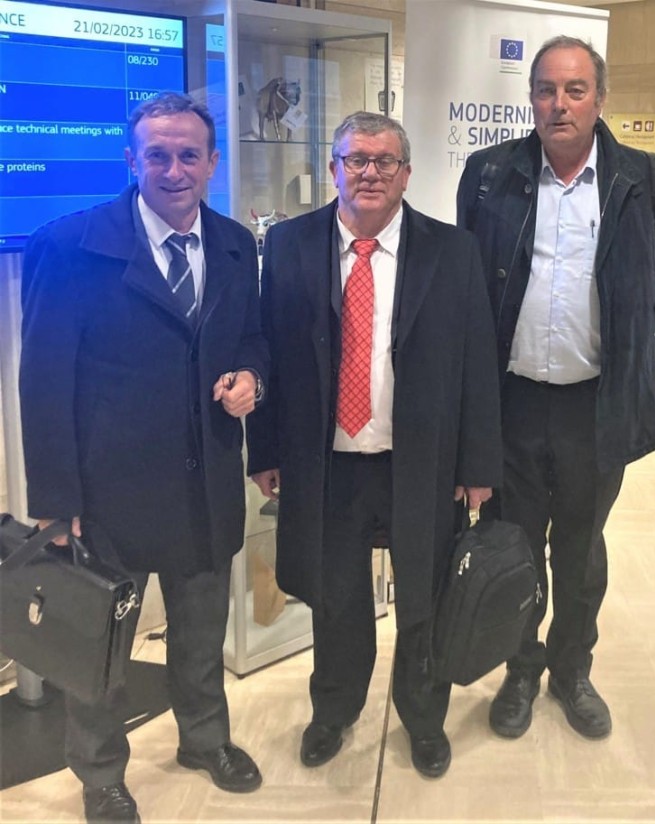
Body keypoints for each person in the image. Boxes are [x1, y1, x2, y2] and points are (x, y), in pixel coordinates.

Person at [19, 91, 268, 824]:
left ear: (212, 162)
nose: (174, 169)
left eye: (189, 154)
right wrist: (56, 500)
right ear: (131, 159)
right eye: (157, 154)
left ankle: (205, 739)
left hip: (206, 482)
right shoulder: (70, 244)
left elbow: (252, 337)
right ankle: (100, 775)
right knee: (100, 644)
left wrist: (253, 378)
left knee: (201, 633)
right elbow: (43, 380)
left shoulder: (234, 245)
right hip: (108, 495)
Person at [246, 111, 502, 779]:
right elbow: (269, 351)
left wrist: (477, 464)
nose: (369, 172)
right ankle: (333, 711)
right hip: (326, 464)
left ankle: (424, 718)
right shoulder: (291, 245)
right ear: (333, 169)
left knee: (425, 596)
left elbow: (478, 362)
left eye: (384, 161)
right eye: (355, 159)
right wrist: (264, 450)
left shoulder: (452, 251)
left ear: (406, 173)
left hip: (419, 462)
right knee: (335, 600)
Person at [456, 35, 655, 741]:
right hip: (513, 402)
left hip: (597, 405)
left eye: (575, 90)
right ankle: (520, 669)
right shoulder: (489, 175)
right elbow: (468, 296)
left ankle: (572, 670)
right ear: (531, 99)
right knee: (516, 545)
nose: (560, 104)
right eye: (547, 90)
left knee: (581, 551)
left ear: (600, 99)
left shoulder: (645, 182)